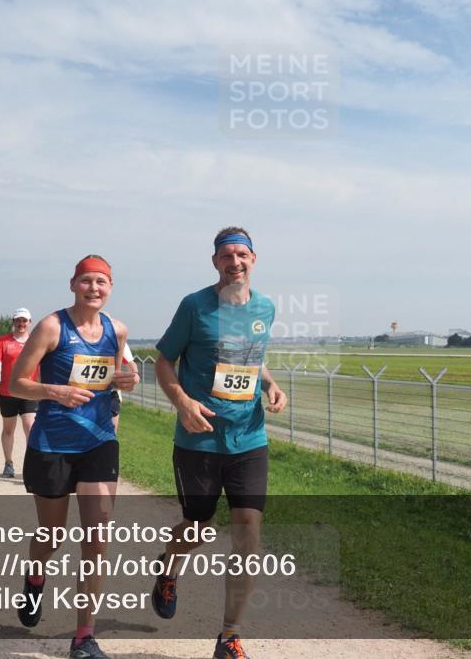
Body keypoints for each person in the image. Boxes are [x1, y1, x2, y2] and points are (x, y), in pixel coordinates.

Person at [151, 227, 287, 659]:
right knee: (198, 529)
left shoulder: (266, 306)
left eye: (242, 254)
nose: (235, 262)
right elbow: (164, 361)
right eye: (226, 255)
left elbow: (252, 357)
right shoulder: (195, 306)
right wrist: (183, 403)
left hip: (249, 437)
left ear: (254, 259)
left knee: (249, 532)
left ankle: (230, 635)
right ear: (215, 262)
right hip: (199, 440)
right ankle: (169, 565)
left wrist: (270, 385)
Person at [8, 255, 138, 659]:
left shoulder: (117, 330)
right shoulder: (51, 326)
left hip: (99, 440)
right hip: (52, 444)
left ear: (110, 287)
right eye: (86, 281)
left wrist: (129, 379)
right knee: (53, 536)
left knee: (97, 538)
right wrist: (55, 391)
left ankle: (84, 636)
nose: (94, 288)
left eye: (101, 282)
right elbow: (17, 383)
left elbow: (119, 380)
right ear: (73, 284)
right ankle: (35, 577)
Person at [0, 309, 40, 477]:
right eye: (18, 321)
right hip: (8, 391)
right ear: (13, 322)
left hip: (29, 391)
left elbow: (42, 363)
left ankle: (32, 466)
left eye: (24, 321)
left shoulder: (35, 341)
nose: (21, 324)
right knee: (8, 430)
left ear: (30, 323)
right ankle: (8, 463)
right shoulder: (3, 341)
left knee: (30, 427)